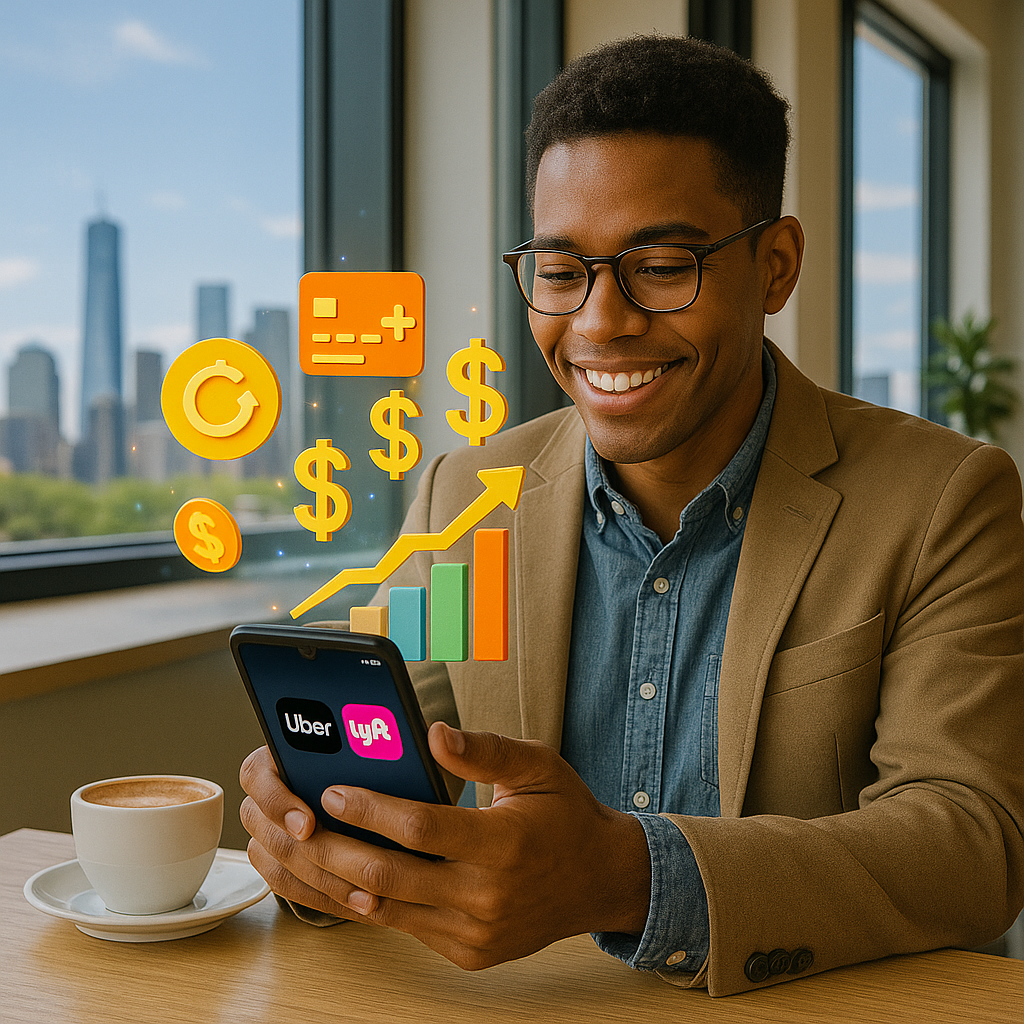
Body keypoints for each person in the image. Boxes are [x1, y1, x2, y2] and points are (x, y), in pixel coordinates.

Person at [240, 35, 1024, 996]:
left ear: (775, 267)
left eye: (659, 265)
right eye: (562, 272)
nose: (600, 323)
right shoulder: (467, 497)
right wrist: (320, 839)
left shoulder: (945, 499)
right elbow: (409, 747)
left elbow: (973, 843)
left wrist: (626, 876)